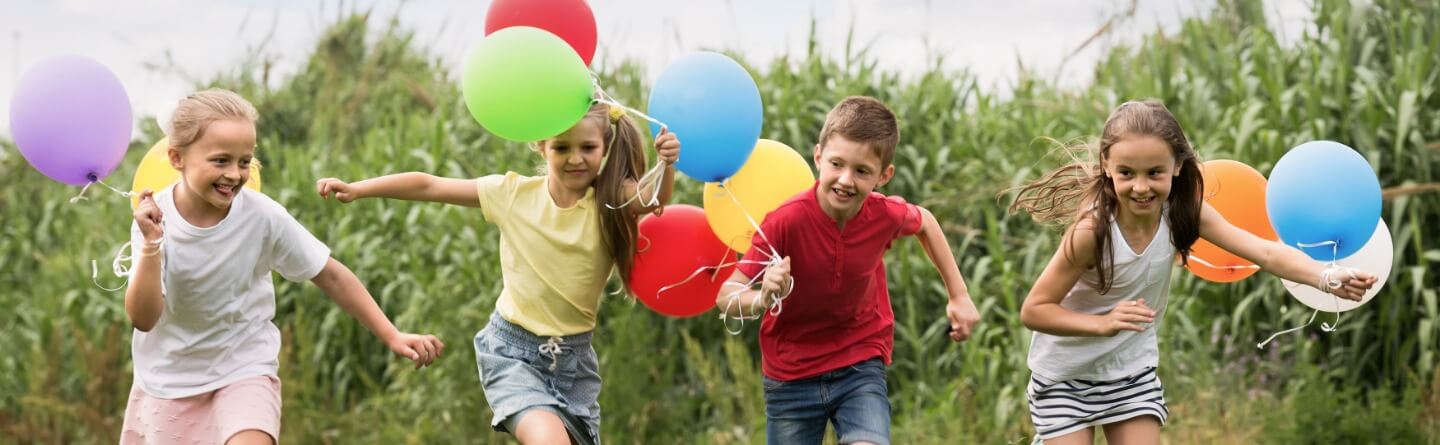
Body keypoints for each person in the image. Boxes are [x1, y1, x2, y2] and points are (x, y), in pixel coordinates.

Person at [1010, 100, 1376, 444]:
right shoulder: (1092, 232)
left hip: (1130, 372)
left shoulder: (1184, 214)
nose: (1141, 187)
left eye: (1154, 173)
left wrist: (1326, 278)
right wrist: (1104, 323)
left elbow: (1263, 250)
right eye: (1126, 173)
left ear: (1177, 166)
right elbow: (1035, 310)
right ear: (1106, 165)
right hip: (1065, 378)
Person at [316, 103, 680, 445]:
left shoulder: (611, 201)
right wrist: (359, 188)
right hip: (512, 353)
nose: (575, 158)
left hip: (574, 364)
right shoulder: (512, 194)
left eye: (587, 147)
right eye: (561, 148)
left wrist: (667, 165)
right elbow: (430, 185)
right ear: (541, 147)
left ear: (605, 147)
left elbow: (653, 200)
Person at [122, 89, 444, 445]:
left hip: (242, 367)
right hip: (169, 380)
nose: (234, 174)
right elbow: (143, 318)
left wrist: (392, 334)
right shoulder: (154, 219)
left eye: (245, 161)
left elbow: (330, 274)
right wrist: (151, 243)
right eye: (220, 161)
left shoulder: (262, 216)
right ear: (176, 158)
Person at [714, 96, 980, 445]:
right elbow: (726, 295)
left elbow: (925, 222)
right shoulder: (785, 221)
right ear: (819, 157)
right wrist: (762, 297)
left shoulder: (883, 215)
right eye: (837, 164)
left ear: (884, 175)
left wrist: (959, 296)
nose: (845, 179)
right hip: (790, 376)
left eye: (862, 171)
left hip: (859, 362)